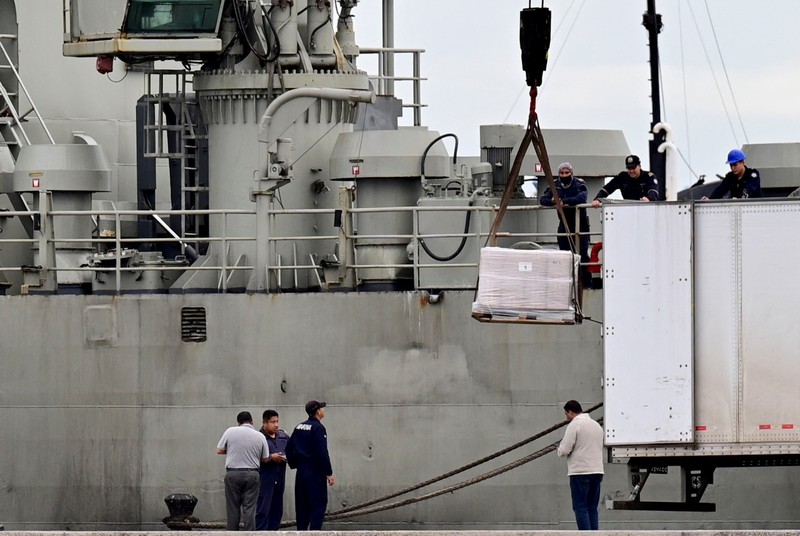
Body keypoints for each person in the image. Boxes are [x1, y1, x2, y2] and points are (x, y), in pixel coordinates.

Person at [539, 162, 592, 288]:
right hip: (564, 223)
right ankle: (566, 284)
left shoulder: (579, 184)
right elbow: (543, 199)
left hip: (580, 224)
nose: (564, 175)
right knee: (564, 255)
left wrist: (564, 201)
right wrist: (552, 201)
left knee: (582, 254)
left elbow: (582, 198)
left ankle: (586, 284)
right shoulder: (555, 185)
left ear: (571, 173)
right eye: (562, 173)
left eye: (566, 173)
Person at [216, 411, 271, 531]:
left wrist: (233, 450)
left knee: (232, 508)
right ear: (252, 421)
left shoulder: (230, 431)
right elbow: (266, 458)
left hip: (233, 474)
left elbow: (219, 450)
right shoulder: (260, 436)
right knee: (250, 508)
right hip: (252, 474)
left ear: (238, 423)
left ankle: (232, 533)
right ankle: (250, 533)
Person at [285, 400, 335, 531]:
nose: (323, 410)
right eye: (322, 408)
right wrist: (328, 473)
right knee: (317, 507)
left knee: (302, 507)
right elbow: (322, 452)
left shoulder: (299, 427)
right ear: (317, 411)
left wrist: (295, 464)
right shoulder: (318, 428)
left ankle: (301, 532)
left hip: (301, 472)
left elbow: (289, 448)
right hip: (315, 473)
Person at [557, 400, 604, 531]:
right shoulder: (596, 425)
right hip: (597, 471)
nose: (566, 417)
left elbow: (564, 450)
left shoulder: (574, 425)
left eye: (566, 413)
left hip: (580, 472)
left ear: (571, 412)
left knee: (580, 507)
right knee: (592, 508)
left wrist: (559, 449)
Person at [256, 409, 290, 530]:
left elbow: (292, 450)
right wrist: (271, 458)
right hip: (265, 478)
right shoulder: (258, 438)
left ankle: (274, 531)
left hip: (280, 477)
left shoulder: (283, 436)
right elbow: (253, 456)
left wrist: (288, 457)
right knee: (263, 508)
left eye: (277, 421)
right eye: (272, 422)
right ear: (264, 423)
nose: (276, 425)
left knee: (277, 509)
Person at [591, 155, 660, 206]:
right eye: (629, 168)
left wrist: (649, 199)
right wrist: (597, 199)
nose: (631, 171)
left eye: (633, 168)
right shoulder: (622, 177)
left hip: (646, 209)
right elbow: (607, 189)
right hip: (628, 210)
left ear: (639, 166)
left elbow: (653, 190)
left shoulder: (648, 176)